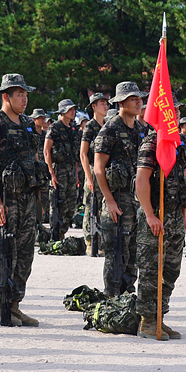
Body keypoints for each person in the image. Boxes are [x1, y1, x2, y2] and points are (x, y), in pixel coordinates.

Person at [0, 74, 41, 327]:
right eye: (19, 94)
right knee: (2, 252)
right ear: (6, 96)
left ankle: (15, 304)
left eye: (26, 94)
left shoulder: (28, 123)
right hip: (5, 199)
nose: (25, 99)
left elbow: (34, 158)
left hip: (26, 199)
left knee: (25, 253)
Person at [134, 96, 186, 340]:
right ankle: (147, 320)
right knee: (150, 270)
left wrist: (183, 213)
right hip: (156, 216)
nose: (176, 114)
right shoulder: (151, 143)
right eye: (172, 110)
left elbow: (182, 183)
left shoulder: (178, 144)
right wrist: (149, 214)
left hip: (175, 217)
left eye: (177, 110)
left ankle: (160, 316)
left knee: (171, 270)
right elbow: (141, 180)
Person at [93, 82, 149, 297]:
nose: (138, 102)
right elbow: (99, 169)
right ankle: (112, 299)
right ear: (121, 102)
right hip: (117, 200)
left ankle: (127, 298)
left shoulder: (142, 130)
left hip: (137, 202)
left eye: (139, 98)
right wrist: (109, 201)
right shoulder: (110, 129)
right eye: (133, 98)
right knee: (116, 254)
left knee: (134, 253)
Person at [44, 99, 78, 241]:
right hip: (59, 170)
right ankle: (55, 234)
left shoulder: (72, 128)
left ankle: (63, 230)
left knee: (71, 205)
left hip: (70, 170)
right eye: (70, 109)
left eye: (73, 109)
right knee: (58, 203)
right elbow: (47, 151)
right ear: (62, 112)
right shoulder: (55, 128)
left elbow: (74, 154)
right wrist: (51, 173)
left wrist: (76, 174)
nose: (73, 111)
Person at [80, 93, 109, 254]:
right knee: (91, 205)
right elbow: (83, 153)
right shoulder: (90, 127)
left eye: (106, 103)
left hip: (105, 171)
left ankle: (102, 239)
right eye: (102, 103)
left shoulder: (107, 125)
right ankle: (90, 240)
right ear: (93, 107)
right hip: (92, 168)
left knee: (103, 206)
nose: (105, 106)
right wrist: (88, 177)